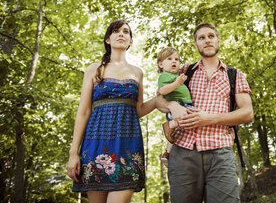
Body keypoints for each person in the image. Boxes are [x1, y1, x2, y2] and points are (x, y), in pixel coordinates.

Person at [156, 22, 254, 203]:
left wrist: (209, 118)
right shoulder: (185, 71)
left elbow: (248, 113)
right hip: (183, 152)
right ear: (195, 44)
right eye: (201, 38)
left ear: (218, 40)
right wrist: (172, 106)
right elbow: (158, 99)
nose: (207, 40)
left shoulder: (234, 75)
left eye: (211, 36)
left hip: (220, 154)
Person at [67, 19, 156, 203]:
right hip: (95, 145)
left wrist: (157, 101)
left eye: (126, 31)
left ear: (131, 41)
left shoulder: (137, 72)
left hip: (128, 146)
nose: (121, 34)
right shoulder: (94, 69)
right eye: (116, 31)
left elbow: (137, 110)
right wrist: (73, 152)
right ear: (108, 39)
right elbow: (83, 111)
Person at [156, 47, 193, 165]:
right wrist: (178, 83)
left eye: (177, 59)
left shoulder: (178, 75)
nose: (174, 61)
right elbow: (162, 91)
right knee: (192, 117)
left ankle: (167, 153)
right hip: (178, 105)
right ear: (161, 64)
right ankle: (170, 124)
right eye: (169, 59)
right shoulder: (164, 76)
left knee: (173, 135)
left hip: (185, 104)